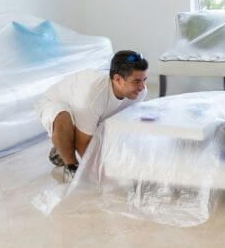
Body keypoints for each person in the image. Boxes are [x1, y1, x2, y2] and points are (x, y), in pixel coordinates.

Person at [35, 50, 148, 182]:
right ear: (117, 79)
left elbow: (122, 127)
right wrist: (101, 173)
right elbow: (82, 143)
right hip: (54, 103)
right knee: (63, 117)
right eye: (136, 81)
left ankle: (63, 147)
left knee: (100, 125)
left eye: (144, 80)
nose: (142, 87)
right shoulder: (93, 97)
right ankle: (71, 166)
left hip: (84, 108)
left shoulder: (139, 92)